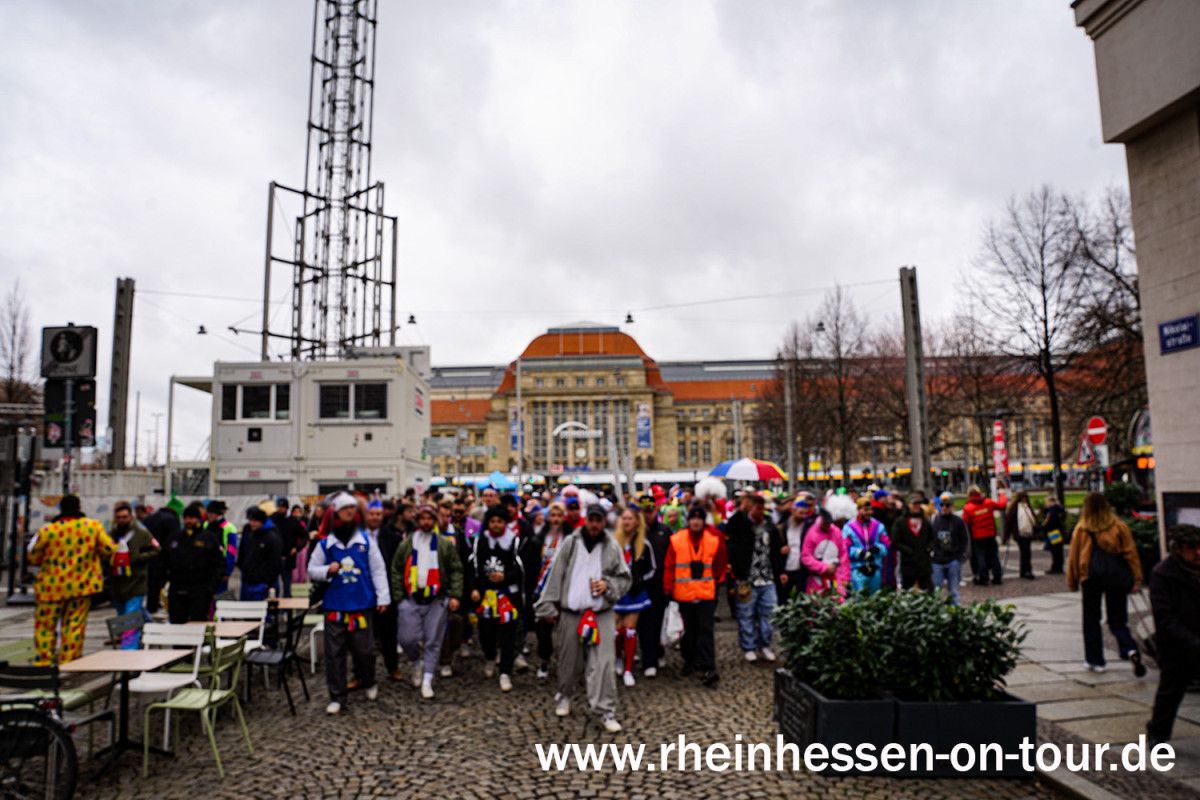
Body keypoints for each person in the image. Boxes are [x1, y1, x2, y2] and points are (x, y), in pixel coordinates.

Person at [534, 503, 631, 732]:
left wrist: (608, 585)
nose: (594, 525)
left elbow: (624, 578)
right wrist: (548, 605)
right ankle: (565, 694)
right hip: (572, 612)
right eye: (591, 520)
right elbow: (556, 574)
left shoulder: (611, 546)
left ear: (604, 522)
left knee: (604, 663)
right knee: (570, 661)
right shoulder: (570, 543)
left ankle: (605, 710)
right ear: (586, 521)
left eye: (599, 520)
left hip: (601, 613)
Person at [308, 493, 391, 714]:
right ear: (335, 514)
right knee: (334, 654)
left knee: (364, 651)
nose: (349, 513)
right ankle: (337, 696)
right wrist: (327, 570)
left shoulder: (366, 541)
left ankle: (369, 680)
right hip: (335, 606)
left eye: (352, 510)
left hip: (361, 605)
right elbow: (311, 569)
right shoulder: (326, 544)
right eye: (344, 510)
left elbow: (378, 570)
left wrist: (383, 597)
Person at [28, 495, 117, 664]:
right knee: (74, 625)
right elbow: (109, 549)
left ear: (60, 509)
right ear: (80, 507)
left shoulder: (48, 531)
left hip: (50, 587)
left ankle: (44, 660)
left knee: (45, 626)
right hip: (82, 585)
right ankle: (69, 661)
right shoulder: (93, 527)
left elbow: (34, 557)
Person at [390, 505, 463, 699]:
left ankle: (427, 680)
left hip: (436, 598)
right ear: (417, 521)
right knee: (407, 639)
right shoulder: (407, 544)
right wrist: (399, 598)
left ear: (435, 520)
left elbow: (456, 570)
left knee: (433, 640)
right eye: (422, 518)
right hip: (411, 598)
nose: (426, 522)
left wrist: (455, 595)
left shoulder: (444, 544)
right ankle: (416, 663)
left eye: (429, 518)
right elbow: (396, 569)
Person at [1067, 491, 1143, 675]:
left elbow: (1073, 557)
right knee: (1118, 620)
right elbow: (1131, 554)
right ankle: (1129, 648)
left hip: (1091, 577)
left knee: (1091, 619)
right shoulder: (1118, 526)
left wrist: (1072, 581)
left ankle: (1095, 660)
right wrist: (1137, 579)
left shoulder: (1082, 529)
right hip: (1115, 576)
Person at [662, 506, 728, 687]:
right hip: (683, 593)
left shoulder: (713, 540)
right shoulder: (677, 539)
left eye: (699, 519)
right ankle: (689, 661)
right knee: (688, 631)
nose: (696, 522)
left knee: (706, 630)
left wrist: (714, 581)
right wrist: (668, 589)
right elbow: (669, 566)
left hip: (706, 593)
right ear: (689, 521)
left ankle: (708, 666)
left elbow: (719, 563)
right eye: (693, 519)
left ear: (703, 522)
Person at [1147, 524, 1200, 745]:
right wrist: (1191, 640)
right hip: (1177, 647)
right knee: (1170, 692)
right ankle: (1157, 734)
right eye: (1191, 547)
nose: (1198, 552)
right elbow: (1164, 616)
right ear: (1177, 548)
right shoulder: (1163, 574)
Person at [470, 506, 524, 692]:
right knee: (486, 633)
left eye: (499, 522)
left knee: (508, 636)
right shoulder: (479, 542)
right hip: (485, 595)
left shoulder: (514, 542)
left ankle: (505, 672)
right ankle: (490, 657)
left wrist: (505, 576)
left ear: (505, 523)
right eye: (492, 521)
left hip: (507, 595)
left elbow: (521, 570)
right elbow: (472, 568)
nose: (495, 525)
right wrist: (474, 588)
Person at [727, 494, 783, 662]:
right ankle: (748, 646)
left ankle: (765, 644)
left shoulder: (769, 525)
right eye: (758, 508)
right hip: (746, 578)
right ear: (751, 508)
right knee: (746, 614)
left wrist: (780, 570)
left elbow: (776, 548)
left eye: (762, 508)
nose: (761, 512)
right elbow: (731, 530)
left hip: (767, 578)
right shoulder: (742, 523)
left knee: (769, 613)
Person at [520, 502, 567, 679]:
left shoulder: (570, 539)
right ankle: (544, 661)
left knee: (566, 632)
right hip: (543, 591)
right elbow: (531, 566)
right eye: (553, 515)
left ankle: (567, 663)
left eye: (559, 516)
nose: (556, 519)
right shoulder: (538, 539)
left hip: (564, 592)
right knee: (543, 633)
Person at [611, 506, 656, 687]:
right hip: (616, 593)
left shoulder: (644, 544)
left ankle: (628, 669)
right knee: (616, 631)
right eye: (625, 519)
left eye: (630, 519)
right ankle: (618, 658)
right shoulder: (613, 543)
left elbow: (652, 569)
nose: (627, 522)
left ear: (637, 522)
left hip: (635, 593)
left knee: (630, 630)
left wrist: (639, 581)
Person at [105, 501, 159, 648]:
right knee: (123, 618)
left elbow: (156, 550)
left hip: (136, 583)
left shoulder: (141, 534)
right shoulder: (111, 535)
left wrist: (137, 558)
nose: (121, 520)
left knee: (130, 619)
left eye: (124, 517)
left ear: (130, 517)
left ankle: (128, 650)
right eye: (118, 518)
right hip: (117, 584)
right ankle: (142, 637)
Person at [163, 503, 226, 624]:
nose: (188, 521)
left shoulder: (208, 537)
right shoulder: (175, 538)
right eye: (186, 518)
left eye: (191, 518)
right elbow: (164, 560)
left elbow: (219, 564)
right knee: (177, 623)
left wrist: (211, 587)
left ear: (198, 519)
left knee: (198, 623)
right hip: (177, 589)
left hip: (200, 590)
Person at [364, 499, 404, 683]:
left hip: (387, 593)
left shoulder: (393, 537)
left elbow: (397, 568)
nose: (375, 517)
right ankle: (362, 672)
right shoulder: (357, 537)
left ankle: (393, 667)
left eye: (378, 514)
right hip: (363, 592)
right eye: (371, 514)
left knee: (389, 633)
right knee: (362, 637)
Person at [637, 497, 672, 678]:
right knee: (644, 625)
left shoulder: (664, 531)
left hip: (660, 584)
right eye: (644, 511)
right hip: (642, 585)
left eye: (649, 511)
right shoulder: (636, 531)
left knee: (658, 622)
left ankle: (658, 652)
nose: (647, 515)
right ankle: (648, 660)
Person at [843, 497, 890, 596]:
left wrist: (878, 548)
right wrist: (858, 552)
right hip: (857, 571)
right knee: (859, 599)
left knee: (875, 598)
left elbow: (886, 543)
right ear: (858, 510)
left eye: (870, 510)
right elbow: (844, 548)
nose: (868, 512)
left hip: (875, 569)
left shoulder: (878, 526)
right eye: (865, 510)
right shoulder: (849, 527)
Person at [799, 508, 849, 599]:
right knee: (818, 603)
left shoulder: (836, 532)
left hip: (835, 577)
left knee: (837, 602)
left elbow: (843, 556)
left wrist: (845, 577)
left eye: (829, 523)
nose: (828, 526)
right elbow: (805, 557)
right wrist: (824, 567)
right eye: (826, 523)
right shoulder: (811, 533)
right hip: (817, 578)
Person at [962, 485, 1007, 586]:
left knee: (980, 557)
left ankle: (983, 578)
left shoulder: (968, 508)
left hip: (978, 537)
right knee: (994, 557)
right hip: (990, 535)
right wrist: (1002, 495)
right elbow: (1002, 505)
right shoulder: (988, 503)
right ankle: (997, 577)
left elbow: (966, 523)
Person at [930, 492, 969, 605]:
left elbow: (965, 540)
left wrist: (960, 557)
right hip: (937, 560)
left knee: (953, 591)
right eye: (942, 505)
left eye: (947, 505)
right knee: (936, 590)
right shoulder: (934, 520)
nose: (944, 508)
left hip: (953, 560)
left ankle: (954, 608)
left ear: (952, 506)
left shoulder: (958, 521)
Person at [142, 502, 180, 615]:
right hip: (165, 557)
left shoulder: (150, 518)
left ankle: (151, 607)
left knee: (152, 585)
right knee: (166, 584)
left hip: (151, 556)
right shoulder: (173, 519)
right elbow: (174, 539)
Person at [237, 508, 283, 601]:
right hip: (248, 583)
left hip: (261, 585)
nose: (251, 523)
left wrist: (267, 583)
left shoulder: (271, 537)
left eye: (254, 521)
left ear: (261, 521)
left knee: (259, 609)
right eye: (250, 520)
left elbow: (275, 562)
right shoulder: (252, 535)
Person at [891, 493, 934, 590]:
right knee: (907, 591)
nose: (917, 506)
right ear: (909, 504)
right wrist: (909, 551)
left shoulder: (925, 521)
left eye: (918, 504)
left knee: (928, 590)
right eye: (914, 504)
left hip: (924, 565)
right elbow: (895, 542)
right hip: (908, 565)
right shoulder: (900, 522)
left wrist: (929, 547)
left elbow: (932, 538)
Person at [780, 496, 817, 602]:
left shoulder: (809, 527)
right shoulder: (782, 527)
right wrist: (781, 550)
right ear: (793, 510)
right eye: (801, 513)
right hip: (786, 571)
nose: (803, 516)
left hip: (802, 571)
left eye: (805, 513)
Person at [271, 496, 306, 598]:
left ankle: (286, 605)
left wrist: (297, 548)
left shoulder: (293, 521)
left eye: (282, 507)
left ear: (286, 508)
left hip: (288, 558)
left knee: (287, 585)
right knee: (274, 586)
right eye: (278, 506)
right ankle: (275, 605)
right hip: (274, 558)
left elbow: (304, 536)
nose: (280, 509)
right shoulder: (272, 519)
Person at [205, 500, 238, 595]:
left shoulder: (229, 527)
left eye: (211, 513)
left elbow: (231, 551)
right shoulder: (206, 525)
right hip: (207, 568)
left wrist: (227, 571)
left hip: (220, 568)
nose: (209, 516)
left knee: (220, 597)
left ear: (217, 514)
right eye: (208, 513)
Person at [1004, 491, 1038, 580]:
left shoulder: (1026, 507)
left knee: (1026, 552)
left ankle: (1024, 571)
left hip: (1028, 532)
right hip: (1019, 533)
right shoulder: (1015, 509)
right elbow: (1008, 522)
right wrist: (1007, 535)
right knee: (1025, 551)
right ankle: (1026, 570)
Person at [1041, 495, 1067, 575]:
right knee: (1058, 550)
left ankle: (1055, 567)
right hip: (1059, 531)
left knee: (1055, 551)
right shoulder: (1059, 510)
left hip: (1052, 532)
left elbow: (1045, 522)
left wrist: (1037, 528)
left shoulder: (1051, 511)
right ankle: (1059, 567)